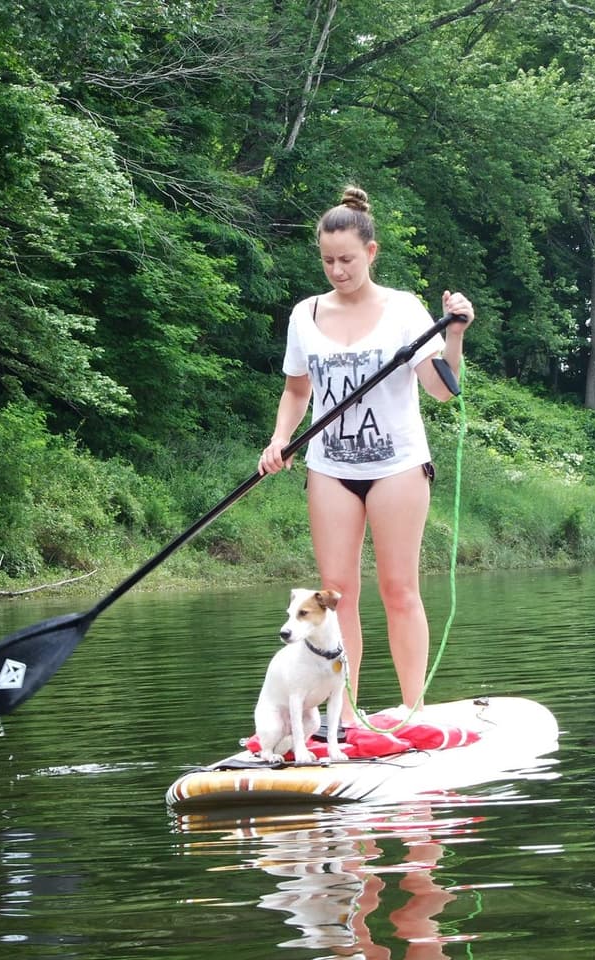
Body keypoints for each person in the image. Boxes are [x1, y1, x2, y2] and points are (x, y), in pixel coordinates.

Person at [258, 185, 473, 722]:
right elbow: (296, 390)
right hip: (329, 466)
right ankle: (345, 716)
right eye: (328, 260)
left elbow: (442, 390)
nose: (337, 270)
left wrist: (456, 335)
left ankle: (413, 709)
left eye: (347, 259)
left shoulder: (402, 309)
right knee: (340, 596)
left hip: (397, 465)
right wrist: (279, 438)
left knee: (398, 589)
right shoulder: (304, 314)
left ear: (370, 253)